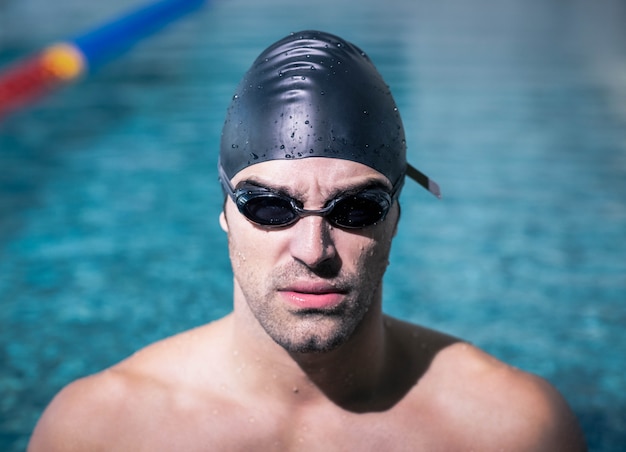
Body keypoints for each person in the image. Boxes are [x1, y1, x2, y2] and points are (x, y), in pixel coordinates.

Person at [29, 30, 586, 451]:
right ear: (223, 212)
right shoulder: (100, 430)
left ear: (395, 218)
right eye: (270, 207)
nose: (313, 249)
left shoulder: (513, 429)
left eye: (357, 208)